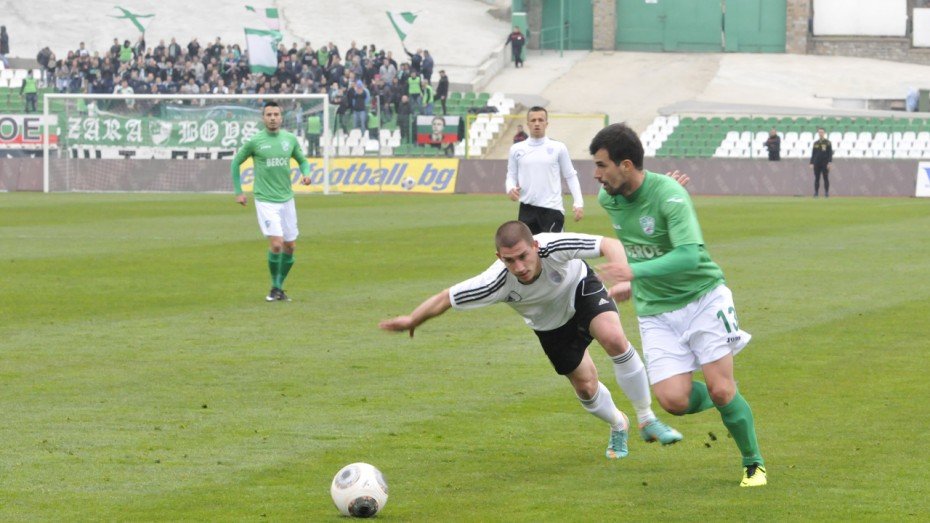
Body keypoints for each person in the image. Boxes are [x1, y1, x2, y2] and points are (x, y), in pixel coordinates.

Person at [380, 220, 683, 459]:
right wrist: (412, 319)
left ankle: (646, 419)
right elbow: (446, 298)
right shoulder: (495, 282)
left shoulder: (554, 246)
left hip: (580, 290)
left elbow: (609, 244)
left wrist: (625, 277)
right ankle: (619, 423)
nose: (520, 267)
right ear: (500, 258)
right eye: (510, 260)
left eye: (524, 256)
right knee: (586, 387)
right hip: (550, 326)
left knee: (614, 338)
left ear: (535, 246)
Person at [589, 123, 767, 487]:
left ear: (625, 165)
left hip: (702, 298)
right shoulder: (609, 199)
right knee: (672, 401)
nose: (596, 175)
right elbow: (643, 234)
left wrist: (632, 273)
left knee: (720, 388)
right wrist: (635, 282)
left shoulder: (669, 195)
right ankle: (727, 398)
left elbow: (688, 257)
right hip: (657, 311)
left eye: (602, 165)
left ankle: (753, 462)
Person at [230, 101, 312, 302]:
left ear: (281, 117)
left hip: (287, 199)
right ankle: (275, 288)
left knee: (290, 246)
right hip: (265, 200)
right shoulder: (255, 141)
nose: (273, 118)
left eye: (276, 114)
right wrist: (239, 191)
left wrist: (306, 174)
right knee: (277, 244)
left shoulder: (289, 139)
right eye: (269, 114)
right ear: (263, 118)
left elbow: (302, 160)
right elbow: (235, 163)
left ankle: (277, 288)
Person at [506, 106, 583, 234]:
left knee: (555, 252)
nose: (537, 123)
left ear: (546, 123)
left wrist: (578, 203)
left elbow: (570, 175)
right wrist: (510, 188)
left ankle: (575, 255)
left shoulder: (558, 147)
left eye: (541, 120)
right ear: (528, 124)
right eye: (533, 120)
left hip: (552, 208)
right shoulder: (516, 149)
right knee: (529, 252)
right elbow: (511, 175)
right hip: (527, 209)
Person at [810, 127, 833, 198]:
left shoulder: (828, 143)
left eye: (822, 132)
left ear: (824, 133)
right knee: (817, 178)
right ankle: (816, 193)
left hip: (825, 163)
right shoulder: (815, 143)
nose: (821, 133)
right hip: (817, 163)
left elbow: (830, 153)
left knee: (825, 178)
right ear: (818, 133)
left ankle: (826, 193)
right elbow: (813, 154)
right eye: (819, 132)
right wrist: (811, 163)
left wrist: (829, 163)